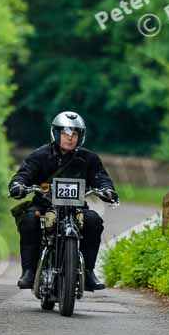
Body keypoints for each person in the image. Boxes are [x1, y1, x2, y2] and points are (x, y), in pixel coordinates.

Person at [9, 111, 118, 291]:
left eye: (74, 134)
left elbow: (101, 178)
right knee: (29, 220)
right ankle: (28, 271)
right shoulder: (40, 155)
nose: (70, 138)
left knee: (93, 220)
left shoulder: (89, 158)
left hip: (76, 209)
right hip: (44, 206)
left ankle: (89, 271)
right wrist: (18, 185)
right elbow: (23, 174)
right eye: (66, 133)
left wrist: (107, 189)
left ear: (80, 136)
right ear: (57, 133)